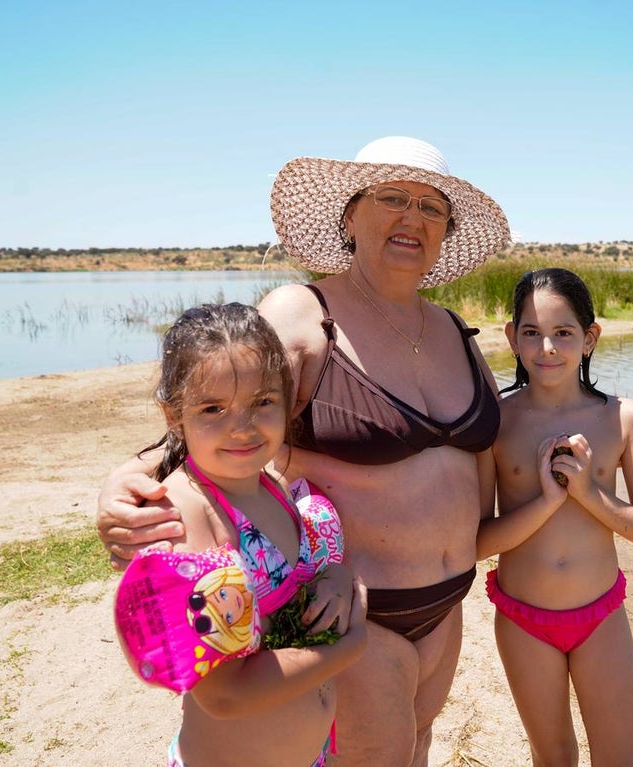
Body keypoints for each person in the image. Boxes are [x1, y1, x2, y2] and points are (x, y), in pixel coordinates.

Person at [97, 137, 512, 766]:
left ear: (447, 230)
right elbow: (215, 405)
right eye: (392, 198)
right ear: (349, 216)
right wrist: (127, 478)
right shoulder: (303, 312)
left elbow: (501, 438)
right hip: (352, 611)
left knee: (418, 745)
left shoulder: (454, 328)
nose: (412, 218)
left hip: (447, 608)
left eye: (431, 208)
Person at [120, 302, 367, 767]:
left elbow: (298, 580)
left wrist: (333, 575)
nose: (243, 427)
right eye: (213, 408)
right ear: (174, 414)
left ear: (286, 398)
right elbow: (223, 695)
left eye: (262, 402)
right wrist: (346, 648)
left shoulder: (269, 485)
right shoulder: (185, 518)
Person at [476, 268, 633, 766]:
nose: (547, 348)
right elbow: (477, 543)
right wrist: (546, 500)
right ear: (511, 338)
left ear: (590, 338)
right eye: (532, 332)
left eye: (563, 333)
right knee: (553, 757)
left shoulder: (626, 418)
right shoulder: (494, 423)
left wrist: (586, 492)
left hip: (600, 617)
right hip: (523, 620)